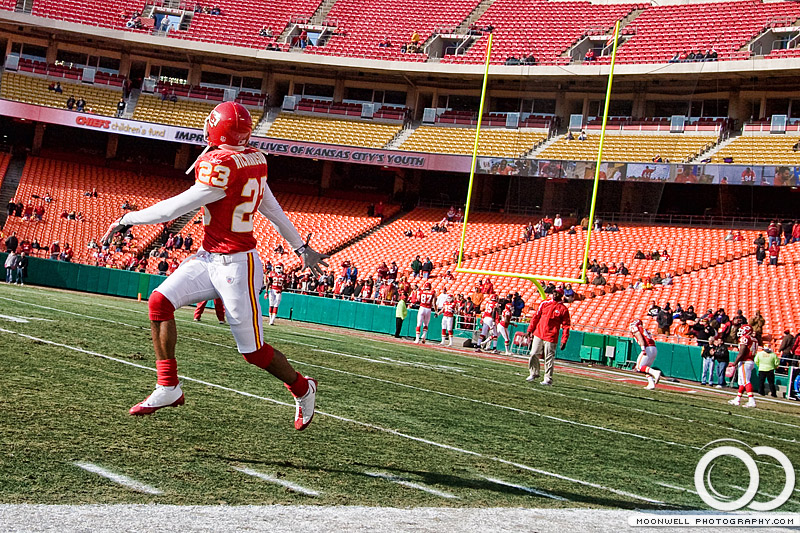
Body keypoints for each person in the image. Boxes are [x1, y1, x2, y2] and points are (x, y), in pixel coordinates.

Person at [101, 101, 328, 430]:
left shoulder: (221, 164)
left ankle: (303, 387)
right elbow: (272, 206)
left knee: (253, 352)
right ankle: (168, 386)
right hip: (209, 257)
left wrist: (127, 219)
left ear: (216, 128)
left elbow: (173, 210)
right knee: (159, 302)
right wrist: (300, 246)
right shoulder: (254, 158)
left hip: (238, 266)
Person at [526, 289, 570, 386]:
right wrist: (530, 329)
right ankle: (533, 373)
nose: (554, 294)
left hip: (551, 336)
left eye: (557, 293)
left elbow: (566, 326)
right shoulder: (544, 303)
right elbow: (536, 316)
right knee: (533, 353)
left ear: (561, 295)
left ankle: (548, 378)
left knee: (549, 357)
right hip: (539, 332)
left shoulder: (563, 309)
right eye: (554, 292)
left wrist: (564, 340)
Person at [728, 325, 758, 408]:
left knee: (746, 381)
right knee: (741, 382)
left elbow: (741, 352)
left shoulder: (745, 338)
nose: (740, 332)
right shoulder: (754, 339)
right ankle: (737, 399)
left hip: (745, 361)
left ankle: (751, 401)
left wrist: (735, 363)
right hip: (749, 361)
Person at [629, 319, 662, 390]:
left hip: (647, 348)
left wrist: (643, 349)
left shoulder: (637, 328)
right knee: (645, 368)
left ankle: (655, 372)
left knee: (639, 367)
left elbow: (640, 339)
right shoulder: (644, 329)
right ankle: (651, 383)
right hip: (653, 348)